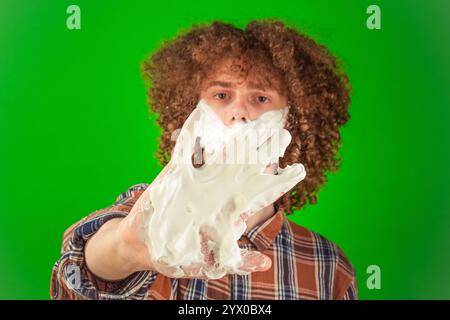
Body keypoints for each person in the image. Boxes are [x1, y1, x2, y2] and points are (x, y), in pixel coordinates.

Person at [50, 19, 357, 300]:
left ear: (292, 121)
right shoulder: (156, 217)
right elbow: (78, 273)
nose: (239, 112)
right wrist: (126, 248)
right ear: (190, 115)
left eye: (260, 98)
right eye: (222, 96)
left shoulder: (328, 266)